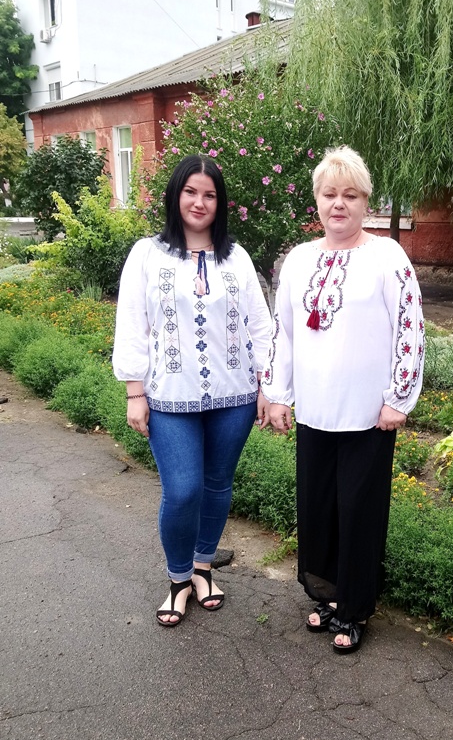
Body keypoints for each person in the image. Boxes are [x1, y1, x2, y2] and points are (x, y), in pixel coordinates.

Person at [261, 146, 425, 654]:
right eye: (330, 194)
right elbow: (284, 331)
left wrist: (398, 398)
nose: (339, 204)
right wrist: (277, 394)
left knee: (358, 511)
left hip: (367, 415)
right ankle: (328, 594)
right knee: (320, 508)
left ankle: (354, 609)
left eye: (350, 195)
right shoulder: (299, 260)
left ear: (365, 202)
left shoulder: (387, 257)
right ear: (317, 200)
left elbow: (410, 329)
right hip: (315, 411)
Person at [113, 154, 272, 627]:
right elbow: (132, 324)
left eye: (209, 194)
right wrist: (135, 392)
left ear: (220, 203)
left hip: (234, 396)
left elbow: (260, 325)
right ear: (175, 195)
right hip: (169, 396)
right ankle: (178, 578)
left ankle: (203, 567)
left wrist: (268, 385)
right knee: (182, 490)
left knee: (218, 484)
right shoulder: (147, 254)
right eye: (190, 191)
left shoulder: (236, 257)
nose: (199, 202)